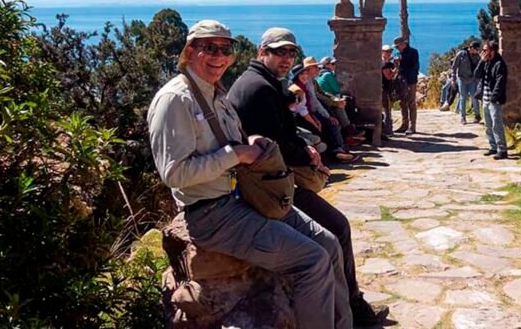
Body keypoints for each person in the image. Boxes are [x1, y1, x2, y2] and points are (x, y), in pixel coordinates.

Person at [147, 20, 351, 328]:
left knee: (329, 243)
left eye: (225, 49)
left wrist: (248, 143)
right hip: (213, 213)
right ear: (190, 51)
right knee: (312, 261)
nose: (219, 56)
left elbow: (224, 143)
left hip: (244, 198)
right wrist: (235, 154)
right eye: (209, 48)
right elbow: (174, 173)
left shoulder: (214, 93)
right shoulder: (177, 99)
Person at [228, 27, 387, 327]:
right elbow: (274, 147)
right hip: (268, 187)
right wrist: (308, 157)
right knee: (337, 228)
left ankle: (351, 305)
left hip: (270, 180)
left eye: (291, 52)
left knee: (335, 227)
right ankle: (353, 309)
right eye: (279, 52)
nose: (287, 58)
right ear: (262, 52)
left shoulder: (263, 83)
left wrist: (304, 148)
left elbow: (283, 135)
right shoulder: (259, 89)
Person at [474, 41, 508, 160]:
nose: (483, 53)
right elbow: (477, 75)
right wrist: (482, 62)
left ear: (492, 51)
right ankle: (493, 146)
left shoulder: (499, 64)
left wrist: (494, 98)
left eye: (485, 50)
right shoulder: (486, 62)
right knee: (488, 125)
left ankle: (502, 149)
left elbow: (500, 83)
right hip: (485, 98)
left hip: (494, 100)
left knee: (496, 125)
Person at [393, 36, 419, 135]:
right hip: (401, 81)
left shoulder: (413, 52)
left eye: (397, 46)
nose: (397, 48)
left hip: (410, 80)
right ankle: (404, 124)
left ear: (403, 44)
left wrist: (401, 61)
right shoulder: (398, 53)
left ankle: (412, 126)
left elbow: (413, 65)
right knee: (402, 103)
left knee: (411, 103)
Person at [451, 40, 481, 124]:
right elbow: (454, 67)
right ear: (471, 48)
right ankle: (463, 117)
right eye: (476, 49)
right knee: (463, 97)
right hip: (462, 79)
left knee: (474, 97)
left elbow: (479, 68)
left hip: (472, 80)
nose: (476, 51)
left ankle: (477, 115)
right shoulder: (461, 54)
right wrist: (453, 79)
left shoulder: (477, 56)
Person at [381, 60, 396, 137]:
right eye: (387, 51)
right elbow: (388, 77)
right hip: (385, 90)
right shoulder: (385, 64)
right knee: (387, 110)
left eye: (390, 51)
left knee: (387, 110)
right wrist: (396, 70)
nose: (389, 53)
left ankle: (387, 129)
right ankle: (388, 130)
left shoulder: (387, 63)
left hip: (385, 89)